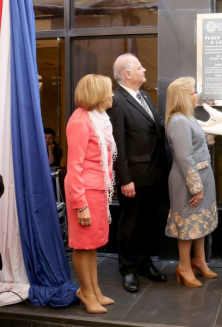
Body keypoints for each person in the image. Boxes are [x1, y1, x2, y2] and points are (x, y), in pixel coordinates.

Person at [108, 53, 168, 293]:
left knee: (147, 223)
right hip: (133, 177)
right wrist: (125, 179)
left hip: (154, 172)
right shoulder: (117, 100)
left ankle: (145, 264)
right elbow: (118, 143)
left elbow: (155, 127)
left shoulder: (144, 95)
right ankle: (128, 269)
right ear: (128, 73)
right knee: (130, 225)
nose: (145, 70)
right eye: (141, 67)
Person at [65, 74, 116, 314]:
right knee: (83, 244)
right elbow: (74, 167)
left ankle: (94, 289)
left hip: (97, 190)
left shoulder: (99, 119)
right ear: (97, 95)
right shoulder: (80, 122)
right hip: (84, 192)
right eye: (108, 91)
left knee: (92, 244)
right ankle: (85, 292)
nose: (112, 95)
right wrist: (80, 204)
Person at [164, 77, 218, 287]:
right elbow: (186, 159)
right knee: (187, 225)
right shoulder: (178, 121)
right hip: (188, 181)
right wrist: (196, 189)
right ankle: (184, 267)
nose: (196, 95)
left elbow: (198, 145)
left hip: (202, 176)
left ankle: (199, 261)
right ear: (184, 97)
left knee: (200, 222)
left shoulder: (187, 118)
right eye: (193, 92)